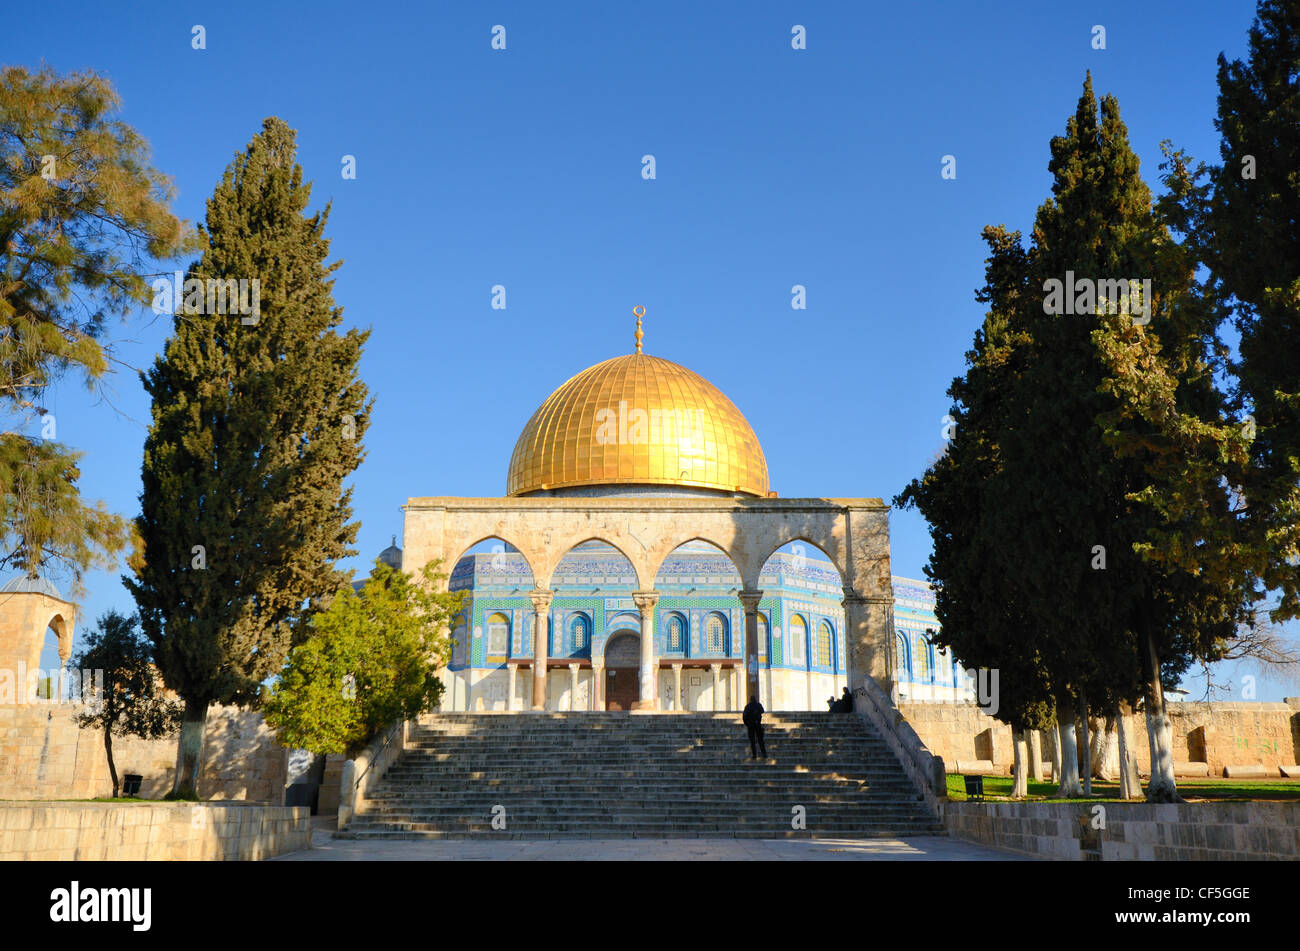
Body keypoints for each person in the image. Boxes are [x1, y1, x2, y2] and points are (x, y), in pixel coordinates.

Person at [742, 695, 767, 760]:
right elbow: (762, 711)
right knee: (760, 740)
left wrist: (747, 724)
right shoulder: (758, 705)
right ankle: (764, 754)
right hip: (757, 724)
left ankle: (754, 755)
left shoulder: (747, 706)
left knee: (752, 741)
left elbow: (744, 717)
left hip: (751, 725)